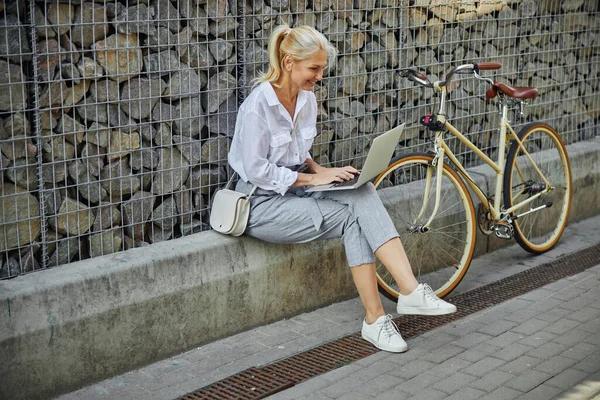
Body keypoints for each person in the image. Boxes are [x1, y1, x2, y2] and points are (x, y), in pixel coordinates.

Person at [228, 24, 456, 353]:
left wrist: (323, 170)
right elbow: (256, 169)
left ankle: (409, 292)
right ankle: (376, 320)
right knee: (352, 219)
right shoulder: (257, 107)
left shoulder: (304, 99)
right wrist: (311, 179)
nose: (319, 76)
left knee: (361, 190)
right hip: (260, 203)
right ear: (289, 62)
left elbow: (296, 151)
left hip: (296, 187)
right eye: (314, 68)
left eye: (321, 68)